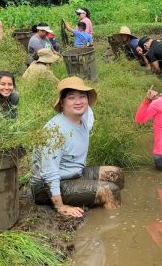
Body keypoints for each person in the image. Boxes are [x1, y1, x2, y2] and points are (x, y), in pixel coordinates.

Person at [31, 76, 124, 217]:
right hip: (46, 187)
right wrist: (61, 207)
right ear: (62, 103)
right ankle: (112, 228)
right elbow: (49, 174)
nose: (78, 102)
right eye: (71, 98)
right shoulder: (54, 131)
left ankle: (97, 204)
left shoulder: (83, 118)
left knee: (116, 174)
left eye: (82, 96)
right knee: (110, 191)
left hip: (73, 174)